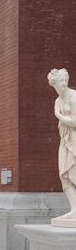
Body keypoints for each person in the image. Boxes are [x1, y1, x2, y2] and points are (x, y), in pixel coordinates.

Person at [47, 68, 76, 219]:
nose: (64, 83)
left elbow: (74, 121)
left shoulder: (73, 96)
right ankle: (74, 210)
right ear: (54, 85)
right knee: (63, 174)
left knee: (74, 173)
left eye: (66, 80)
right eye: (61, 81)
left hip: (75, 139)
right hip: (65, 140)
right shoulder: (58, 100)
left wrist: (57, 114)